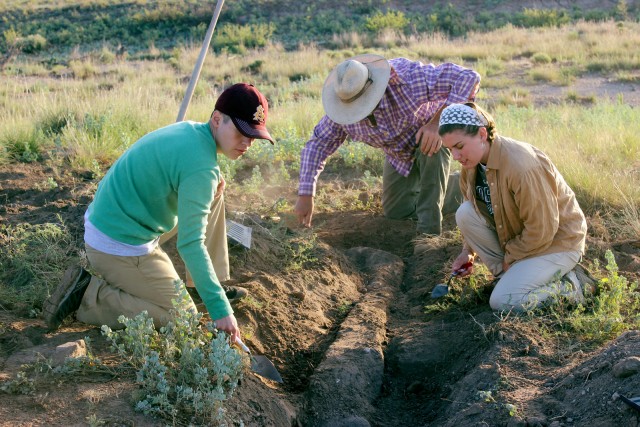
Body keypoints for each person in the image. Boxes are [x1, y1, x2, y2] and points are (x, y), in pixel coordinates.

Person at [43, 83, 275, 343]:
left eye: (254, 135)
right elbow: (190, 244)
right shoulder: (201, 168)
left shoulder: (192, 133)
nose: (248, 142)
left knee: (215, 191)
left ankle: (203, 284)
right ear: (217, 119)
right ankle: (88, 295)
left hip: (112, 221)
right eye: (241, 131)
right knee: (182, 317)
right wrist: (220, 310)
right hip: (118, 246)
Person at [295, 54, 481, 236]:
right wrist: (305, 195)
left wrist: (436, 123)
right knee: (397, 211)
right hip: (399, 155)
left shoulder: (408, 79)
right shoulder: (342, 111)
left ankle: (429, 233)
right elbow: (317, 145)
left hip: (431, 138)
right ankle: (463, 186)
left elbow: (468, 77)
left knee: (432, 149)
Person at [438, 102, 589, 311]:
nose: (455, 156)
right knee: (465, 213)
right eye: (450, 149)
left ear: (482, 134)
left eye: (460, 146)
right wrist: (468, 252)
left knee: (503, 302)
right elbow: (478, 210)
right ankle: (513, 279)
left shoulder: (522, 165)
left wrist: (511, 257)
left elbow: (543, 229)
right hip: (521, 239)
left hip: (557, 243)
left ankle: (573, 286)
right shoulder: (471, 166)